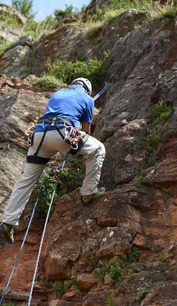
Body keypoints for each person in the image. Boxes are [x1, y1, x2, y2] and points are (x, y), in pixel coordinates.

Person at [0, 78, 106, 245]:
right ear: (87, 90)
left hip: (38, 136)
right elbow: (86, 133)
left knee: (26, 180)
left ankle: (8, 221)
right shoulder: (87, 99)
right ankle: (88, 192)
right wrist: (75, 143)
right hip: (61, 133)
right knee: (98, 149)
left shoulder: (59, 93)